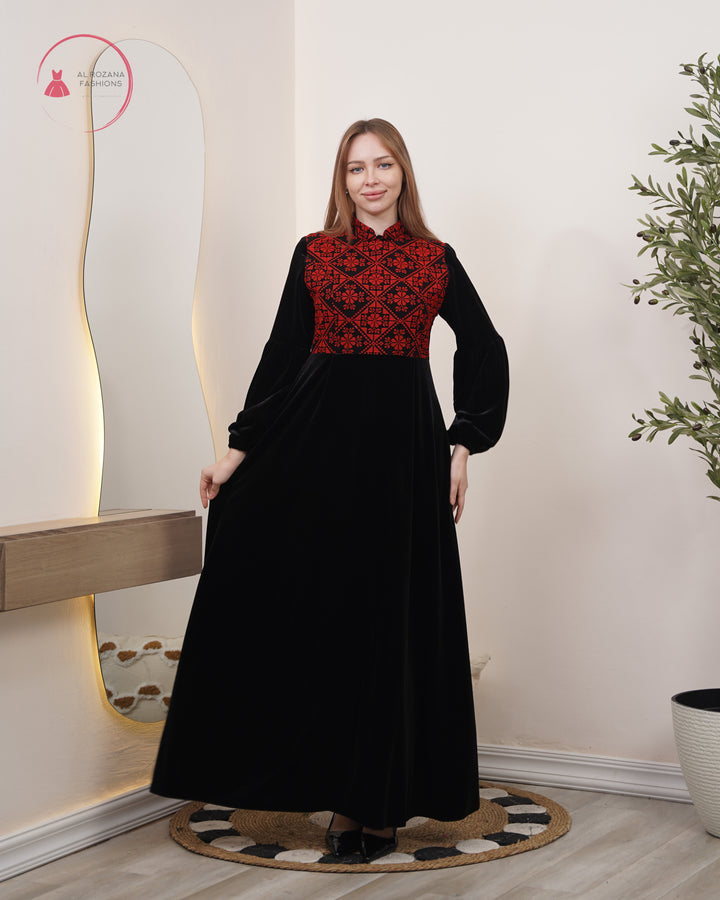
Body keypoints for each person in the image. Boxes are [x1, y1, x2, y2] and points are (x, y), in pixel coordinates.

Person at [150, 118, 509, 863]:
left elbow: (483, 344)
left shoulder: (434, 259)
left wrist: (463, 444)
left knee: (390, 618)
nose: (369, 180)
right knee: (333, 613)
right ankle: (337, 790)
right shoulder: (314, 253)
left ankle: (374, 802)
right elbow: (283, 353)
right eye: (354, 168)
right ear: (341, 180)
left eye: (382, 165)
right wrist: (236, 452)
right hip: (316, 449)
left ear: (403, 173)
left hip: (406, 456)